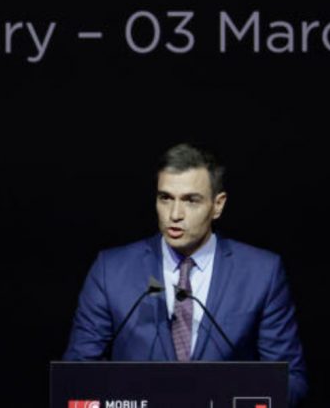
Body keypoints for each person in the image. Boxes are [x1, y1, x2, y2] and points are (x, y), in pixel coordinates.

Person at [63, 143, 309, 406]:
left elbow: (291, 381)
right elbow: (77, 376)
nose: (175, 214)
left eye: (191, 200)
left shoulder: (262, 273)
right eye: (165, 198)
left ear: (218, 205)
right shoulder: (110, 270)